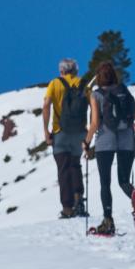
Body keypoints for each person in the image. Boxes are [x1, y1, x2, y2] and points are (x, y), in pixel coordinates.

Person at [83, 61, 135, 235]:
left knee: (105, 182)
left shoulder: (96, 95)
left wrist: (86, 143)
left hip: (105, 141)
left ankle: (108, 221)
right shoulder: (124, 91)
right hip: (127, 140)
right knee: (124, 181)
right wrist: (131, 127)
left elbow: (94, 123)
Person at [43, 58, 89, 218]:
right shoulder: (82, 83)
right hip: (79, 132)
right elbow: (93, 105)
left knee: (63, 170)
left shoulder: (55, 83)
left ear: (62, 71)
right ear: (75, 70)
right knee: (75, 165)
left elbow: (46, 105)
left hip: (60, 132)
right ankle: (79, 202)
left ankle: (67, 208)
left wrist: (46, 131)